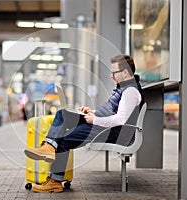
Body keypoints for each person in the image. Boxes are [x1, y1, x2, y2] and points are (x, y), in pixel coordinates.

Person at [24, 54, 144, 193]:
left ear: (124, 72)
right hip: (103, 125)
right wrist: (91, 112)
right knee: (63, 114)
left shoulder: (130, 91)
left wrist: (95, 119)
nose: (111, 76)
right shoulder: (123, 88)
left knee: (64, 138)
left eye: (114, 72)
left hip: (112, 132)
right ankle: (49, 146)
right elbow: (111, 112)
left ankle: (55, 181)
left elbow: (121, 120)